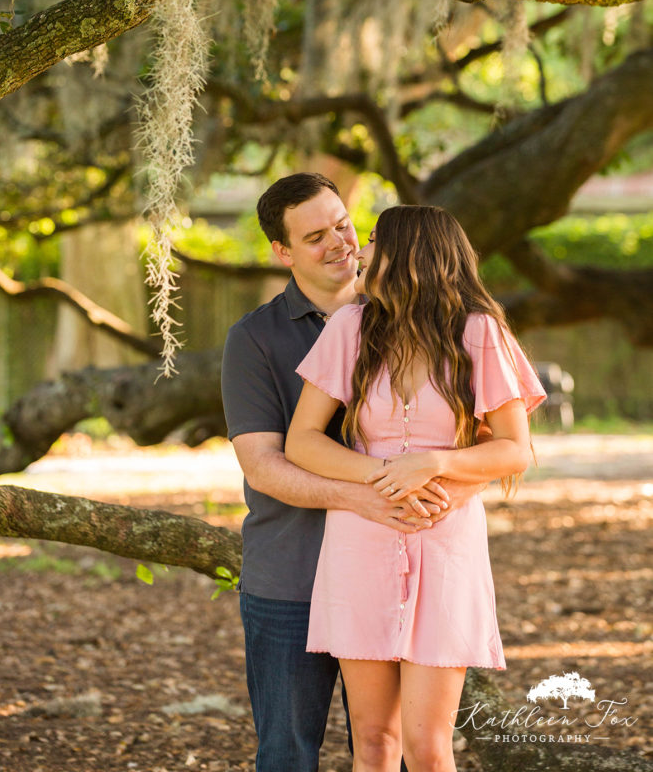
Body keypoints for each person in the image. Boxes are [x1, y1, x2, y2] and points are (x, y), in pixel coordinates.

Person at [221, 174, 483, 772]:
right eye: (315, 236)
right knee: (288, 752)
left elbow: (484, 443)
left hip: (410, 563)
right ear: (282, 253)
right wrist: (363, 496)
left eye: (343, 224)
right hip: (291, 572)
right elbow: (264, 465)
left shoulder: (425, 319)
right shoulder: (255, 340)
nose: (339, 242)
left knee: (393, 742)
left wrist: (443, 488)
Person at [285, 204, 546, 772]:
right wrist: (379, 478)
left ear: (409, 253)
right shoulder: (349, 328)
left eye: (374, 238)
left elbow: (514, 448)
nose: (359, 248)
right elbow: (301, 442)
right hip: (360, 541)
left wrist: (429, 464)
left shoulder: (480, 333)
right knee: (374, 744)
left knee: (428, 749)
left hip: (445, 541)